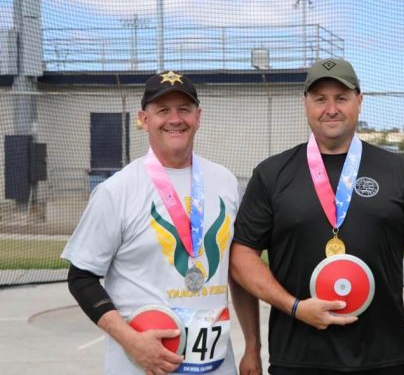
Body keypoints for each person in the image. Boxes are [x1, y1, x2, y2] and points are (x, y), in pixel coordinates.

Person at [230, 58, 404, 375]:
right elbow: (241, 257)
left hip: (383, 359)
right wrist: (293, 307)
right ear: (305, 104)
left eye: (341, 98)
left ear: (359, 101)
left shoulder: (398, 172)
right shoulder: (272, 174)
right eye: (320, 99)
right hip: (297, 360)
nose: (331, 109)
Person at [62, 71, 262, 375]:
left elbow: (238, 270)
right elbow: (81, 278)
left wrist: (252, 346)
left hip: (217, 365)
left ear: (198, 116)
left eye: (184, 109)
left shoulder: (224, 182)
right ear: (144, 118)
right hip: (142, 365)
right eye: (162, 110)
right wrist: (130, 340)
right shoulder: (117, 190)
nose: (175, 119)